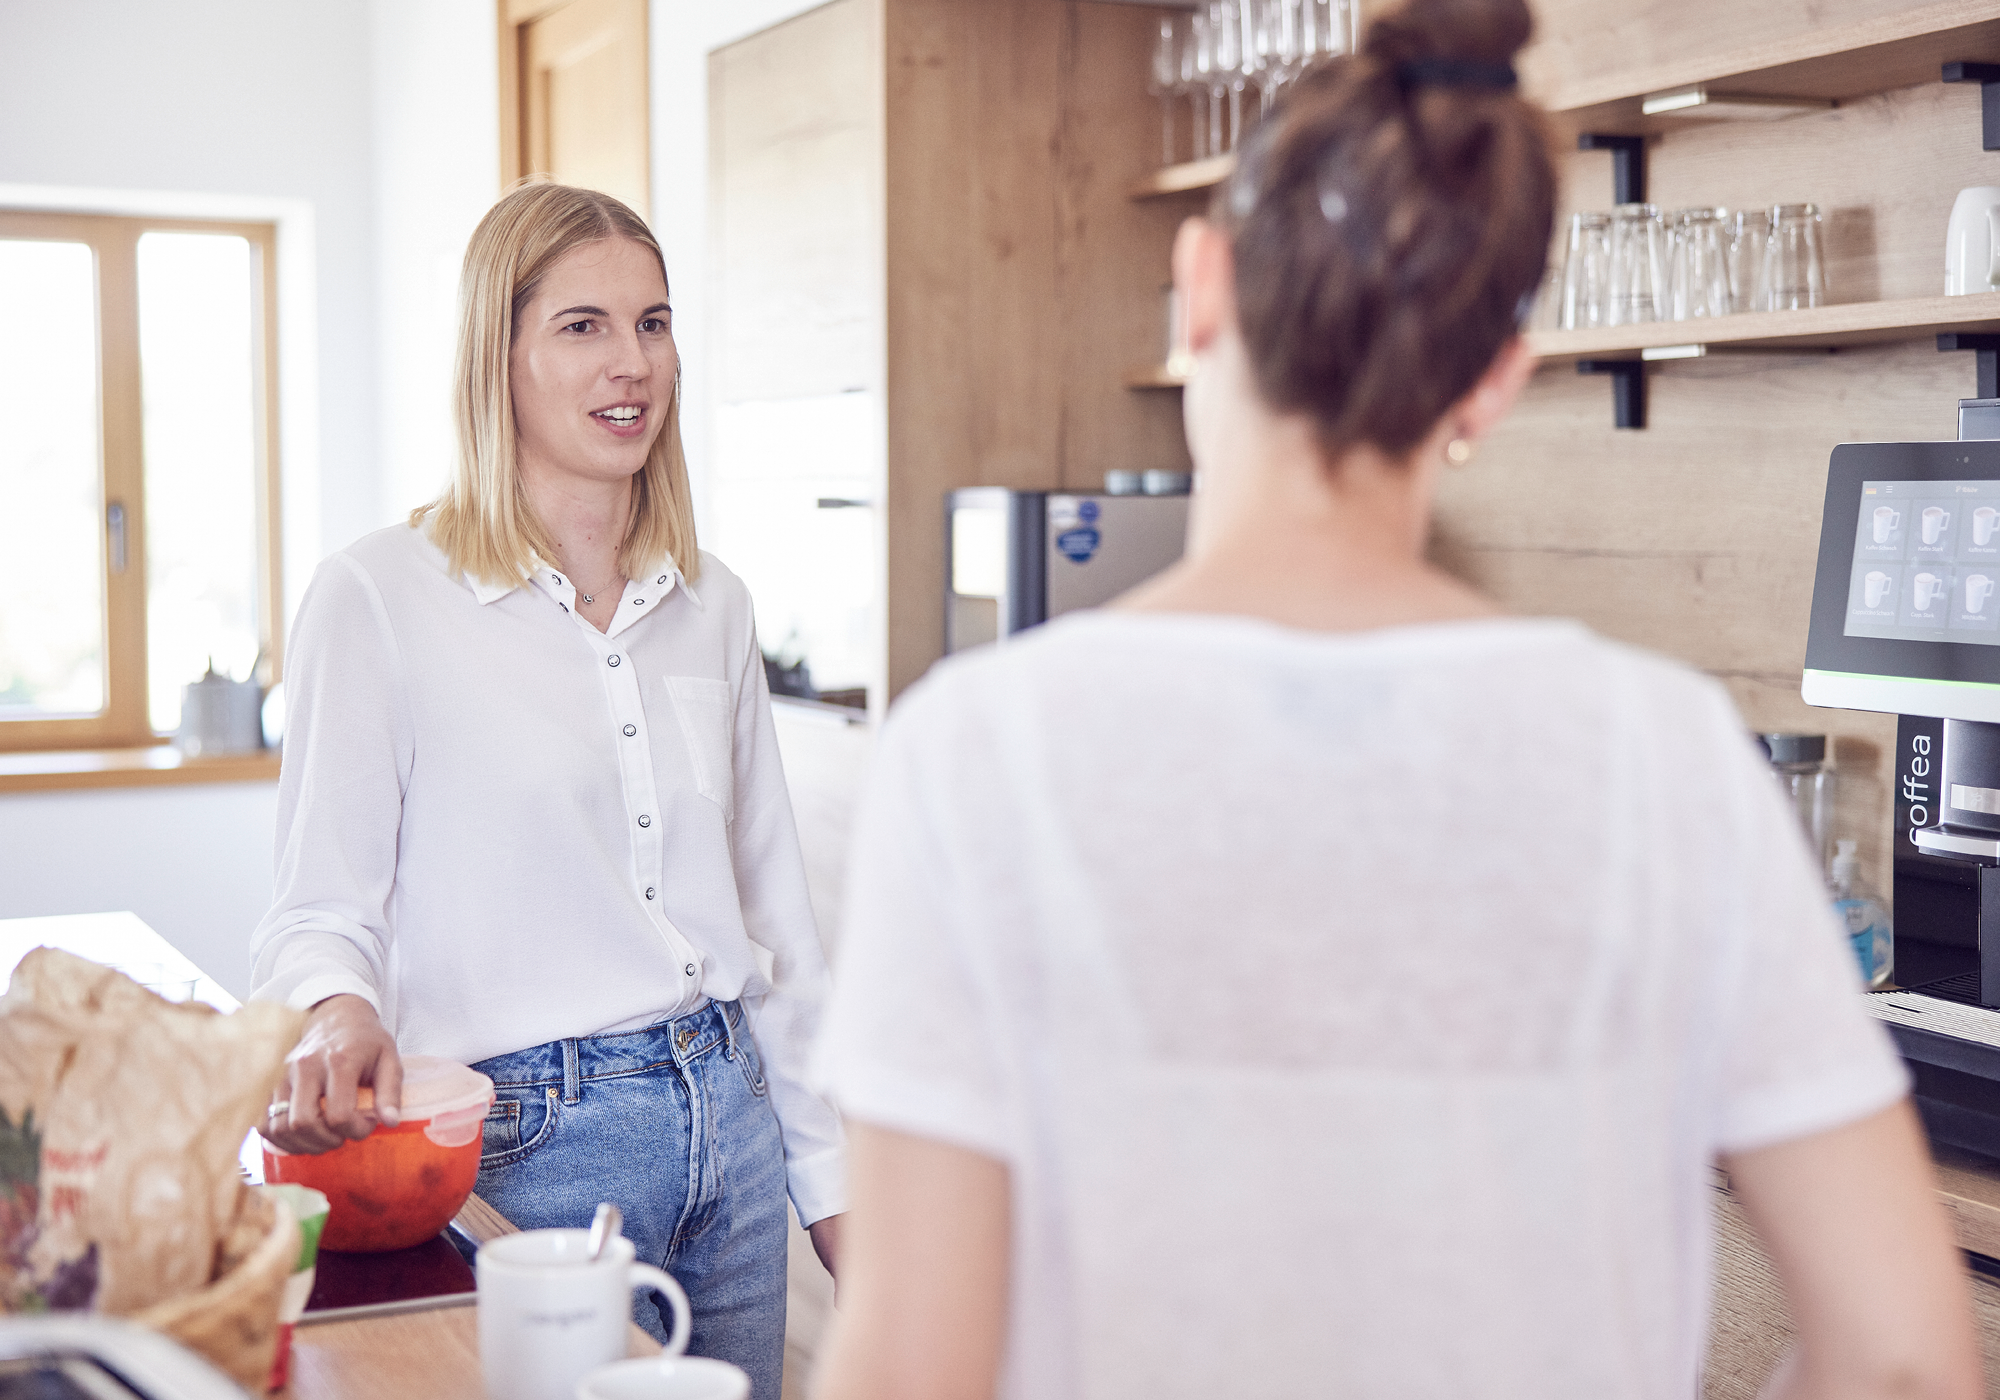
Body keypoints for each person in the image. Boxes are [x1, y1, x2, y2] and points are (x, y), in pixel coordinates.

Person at [809, 1, 1983, 1397]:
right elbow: (1910, 1362)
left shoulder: (975, 754)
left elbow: (910, 1365)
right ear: (1494, 379)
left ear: (1201, 287)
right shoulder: (1663, 761)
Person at [250, 182, 842, 1400]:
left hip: (729, 1126)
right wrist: (336, 1010)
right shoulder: (376, 597)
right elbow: (317, 908)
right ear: (500, 356)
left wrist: (842, 1206)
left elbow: (775, 927)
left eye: (654, 322)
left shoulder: (712, 601)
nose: (632, 363)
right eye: (582, 326)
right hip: (529, 1152)